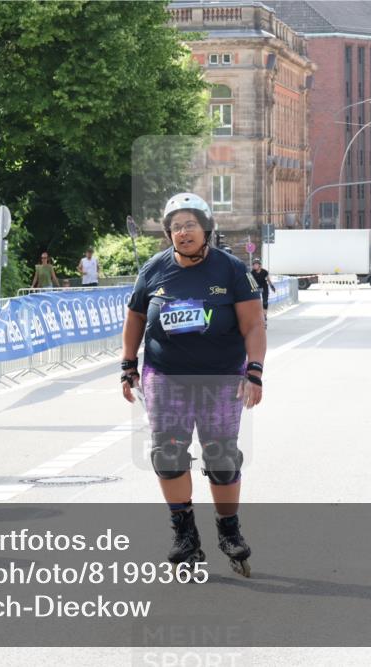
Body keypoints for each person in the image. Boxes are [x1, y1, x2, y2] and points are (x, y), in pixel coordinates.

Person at [120, 192, 266, 578]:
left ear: (206, 229)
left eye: (190, 225)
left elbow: (253, 324)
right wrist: (128, 364)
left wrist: (254, 372)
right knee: (168, 454)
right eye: (176, 227)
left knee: (221, 456)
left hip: (222, 376)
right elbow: (135, 318)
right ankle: (184, 534)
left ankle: (229, 529)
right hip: (165, 376)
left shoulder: (230, 270)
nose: (183, 233)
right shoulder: (154, 270)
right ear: (168, 233)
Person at [249, 258, 275, 326]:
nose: (254, 266)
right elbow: (251, 282)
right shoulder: (252, 273)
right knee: (256, 303)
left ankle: (264, 316)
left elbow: (268, 280)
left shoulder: (264, 272)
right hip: (256, 288)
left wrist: (272, 286)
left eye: (256, 264)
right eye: (253, 265)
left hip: (264, 287)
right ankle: (257, 317)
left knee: (265, 302)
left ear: (259, 265)